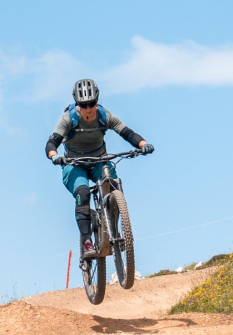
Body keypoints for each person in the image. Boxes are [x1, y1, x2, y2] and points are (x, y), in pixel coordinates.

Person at [46, 79, 153, 258]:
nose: (88, 109)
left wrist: (143, 144)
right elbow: (51, 142)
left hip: (99, 160)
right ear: (77, 103)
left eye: (92, 104)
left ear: (97, 101)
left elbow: (126, 132)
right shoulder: (68, 118)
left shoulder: (104, 116)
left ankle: (117, 231)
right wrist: (54, 155)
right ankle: (87, 240)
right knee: (83, 193)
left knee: (113, 185)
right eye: (84, 105)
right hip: (74, 164)